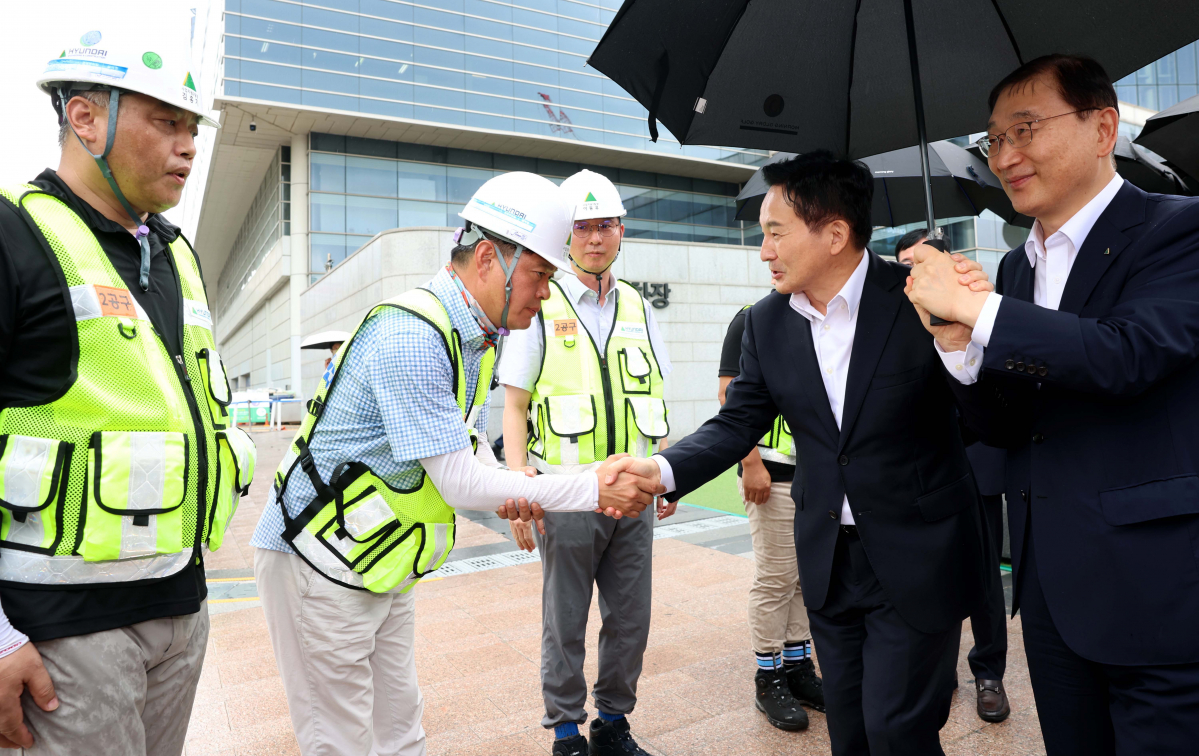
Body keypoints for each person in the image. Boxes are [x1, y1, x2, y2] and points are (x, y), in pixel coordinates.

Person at [252, 171, 658, 756]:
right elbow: (462, 480)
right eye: (540, 275)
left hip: (377, 556)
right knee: (339, 739)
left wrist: (521, 481)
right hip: (315, 562)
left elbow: (465, 446)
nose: (546, 294)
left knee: (401, 727)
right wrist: (591, 488)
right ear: (490, 257)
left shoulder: (473, 336)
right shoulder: (412, 332)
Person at [606, 151, 994, 756]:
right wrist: (660, 471)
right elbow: (738, 422)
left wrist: (959, 340)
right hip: (828, 560)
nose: (764, 251)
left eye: (775, 232)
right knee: (852, 731)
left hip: (918, 554)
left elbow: (987, 421)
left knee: (899, 731)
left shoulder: (921, 300)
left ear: (835, 233)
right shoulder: (767, 323)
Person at [907, 54, 1199, 756]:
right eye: (992, 139)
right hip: (1047, 595)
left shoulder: (1177, 229)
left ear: (1102, 128)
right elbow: (1003, 428)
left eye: (1025, 129)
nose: (1004, 155)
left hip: (1155, 592)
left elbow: (1125, 355)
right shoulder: (1013, 268)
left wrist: (979, 313)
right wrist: (957, 343)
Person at [0, 24, 256, 755]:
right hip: (61, 631)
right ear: (85, 118)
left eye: (192, 127)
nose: (188, 145)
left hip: (181, 609)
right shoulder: (14, 232)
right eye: (165, 122)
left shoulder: (175, 254)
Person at [497, 169, 671, 756]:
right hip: (566, 494)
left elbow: (654, 399)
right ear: (566, 236)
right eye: (583, 227)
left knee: (631, 619)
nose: (595, 238)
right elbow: (515, 405)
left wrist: (667, 474)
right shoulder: (544, 301)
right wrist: (521, 490)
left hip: (635, 494)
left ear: (621, 231)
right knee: (564, 619)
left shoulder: (641, 308)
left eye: (605, 225)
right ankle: (567, 730)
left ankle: (614, 723)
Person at [895, 230, 1012, 722]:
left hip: (977, 458)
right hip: (920, 471)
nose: (913, 270)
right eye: (904, 263)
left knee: (984, 575)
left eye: (921, 258)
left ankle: (988, 673)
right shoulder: (895, 310)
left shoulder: (971, 294)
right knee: (928, 576)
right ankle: (936, 672)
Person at [717, 306, 824, 731]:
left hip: (815, 474)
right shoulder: (750, 319)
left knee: (803, 578)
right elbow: (729, 396)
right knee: (776, 578)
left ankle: (798, 669)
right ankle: (769, 677)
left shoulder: (817, 318)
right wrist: (750, 462)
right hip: (772, 470)